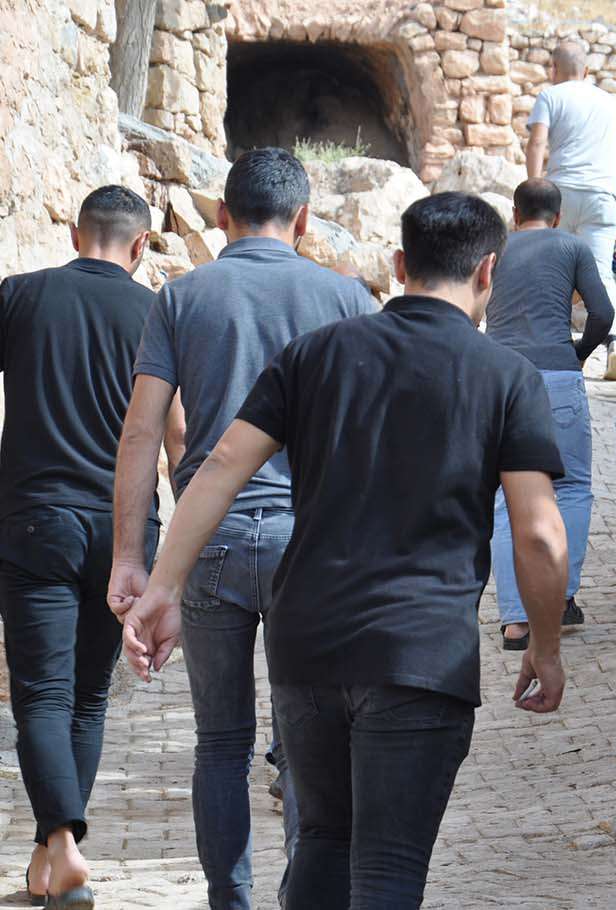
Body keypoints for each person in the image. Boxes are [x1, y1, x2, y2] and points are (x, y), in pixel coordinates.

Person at [121, 191, 570, 909]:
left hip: (308, 649)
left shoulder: (315, 355)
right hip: (419, 654)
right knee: (388, 867)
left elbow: (222, 465)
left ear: (398, 264)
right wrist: (544, 646)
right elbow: (540, 534)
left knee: (324, 842)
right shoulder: (505, 377)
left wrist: (165, 588)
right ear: (489, 271)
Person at [110, 147, 375, 910]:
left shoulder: (181, 297)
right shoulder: (347, 298)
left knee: (221, 745)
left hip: (209, 543)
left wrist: (131, 557)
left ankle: (230, 901)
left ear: (223, 216)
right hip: (309, 547)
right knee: (309, 747)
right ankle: (306, 894)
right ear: (304, 219)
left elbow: (142, 432)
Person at [0, 186, 161, 908]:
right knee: (89, 697)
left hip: (35, 520)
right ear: (141, 245)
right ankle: (51, 858)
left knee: (41, 693)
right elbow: (176, 430)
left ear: (75, 233)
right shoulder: (157, 311)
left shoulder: (20, 296)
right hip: (123, 529)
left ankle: (60, 846)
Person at [486, 178, 615, 649]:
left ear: (514, 213)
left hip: (503, 378)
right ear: (558, 216)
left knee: (506, 498)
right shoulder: (572, 247)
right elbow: (602, 314)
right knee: (572, 487)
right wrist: (576, 354)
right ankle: (560, 600)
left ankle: (516, 621)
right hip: (559, 376)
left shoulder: (495, 249)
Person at [526, 39, 616, 381]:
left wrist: (533, 192)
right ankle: (615, 345)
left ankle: (558, 347)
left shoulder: (550, 97)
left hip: (559, 195)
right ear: (587, 70)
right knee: (602, 274)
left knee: (554, 273)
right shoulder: (610, 103)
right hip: (601, 198)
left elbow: (537, 142)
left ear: (553, 69)